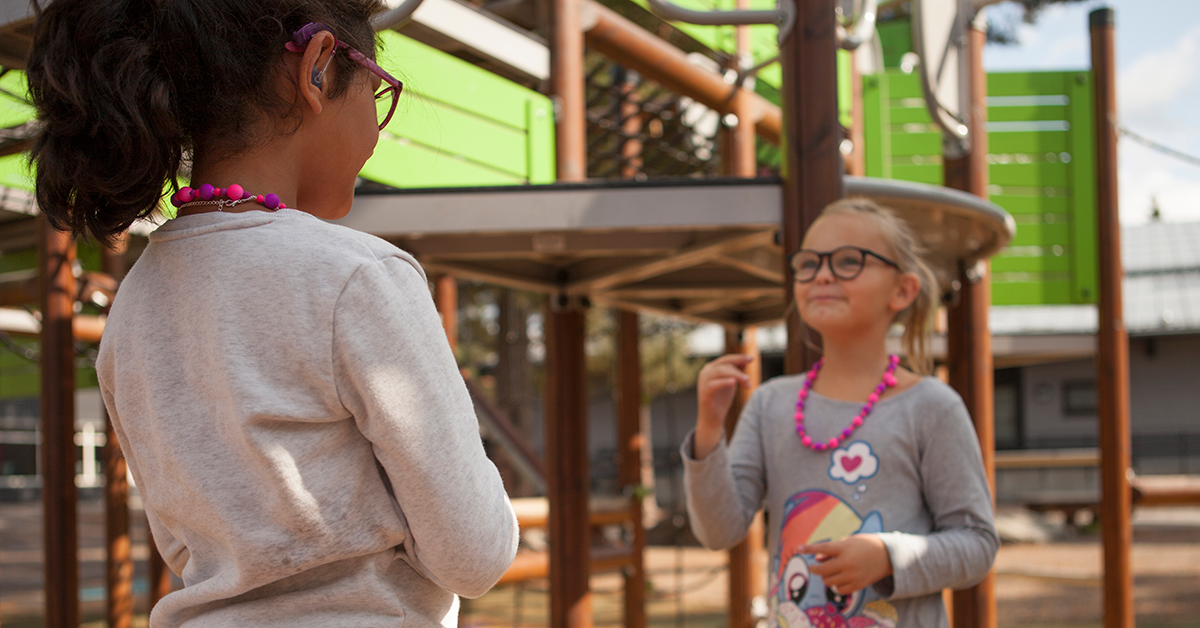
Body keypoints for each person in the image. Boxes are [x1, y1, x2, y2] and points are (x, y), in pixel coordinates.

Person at [26, 1, 518, 626]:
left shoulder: (134, 304)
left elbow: (186, 545)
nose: (378, 127)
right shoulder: (358, 277)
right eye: (378, 91)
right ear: (317, 68)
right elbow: (472, 555)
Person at [683, 199, 998, 628]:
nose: (824, 274)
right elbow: (719, 531)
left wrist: (887, 557)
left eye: (850, 261)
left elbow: (978, 545)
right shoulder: (770, 403)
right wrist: (708, 430)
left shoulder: (932, 408)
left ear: (902, 290)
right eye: (808, 264)